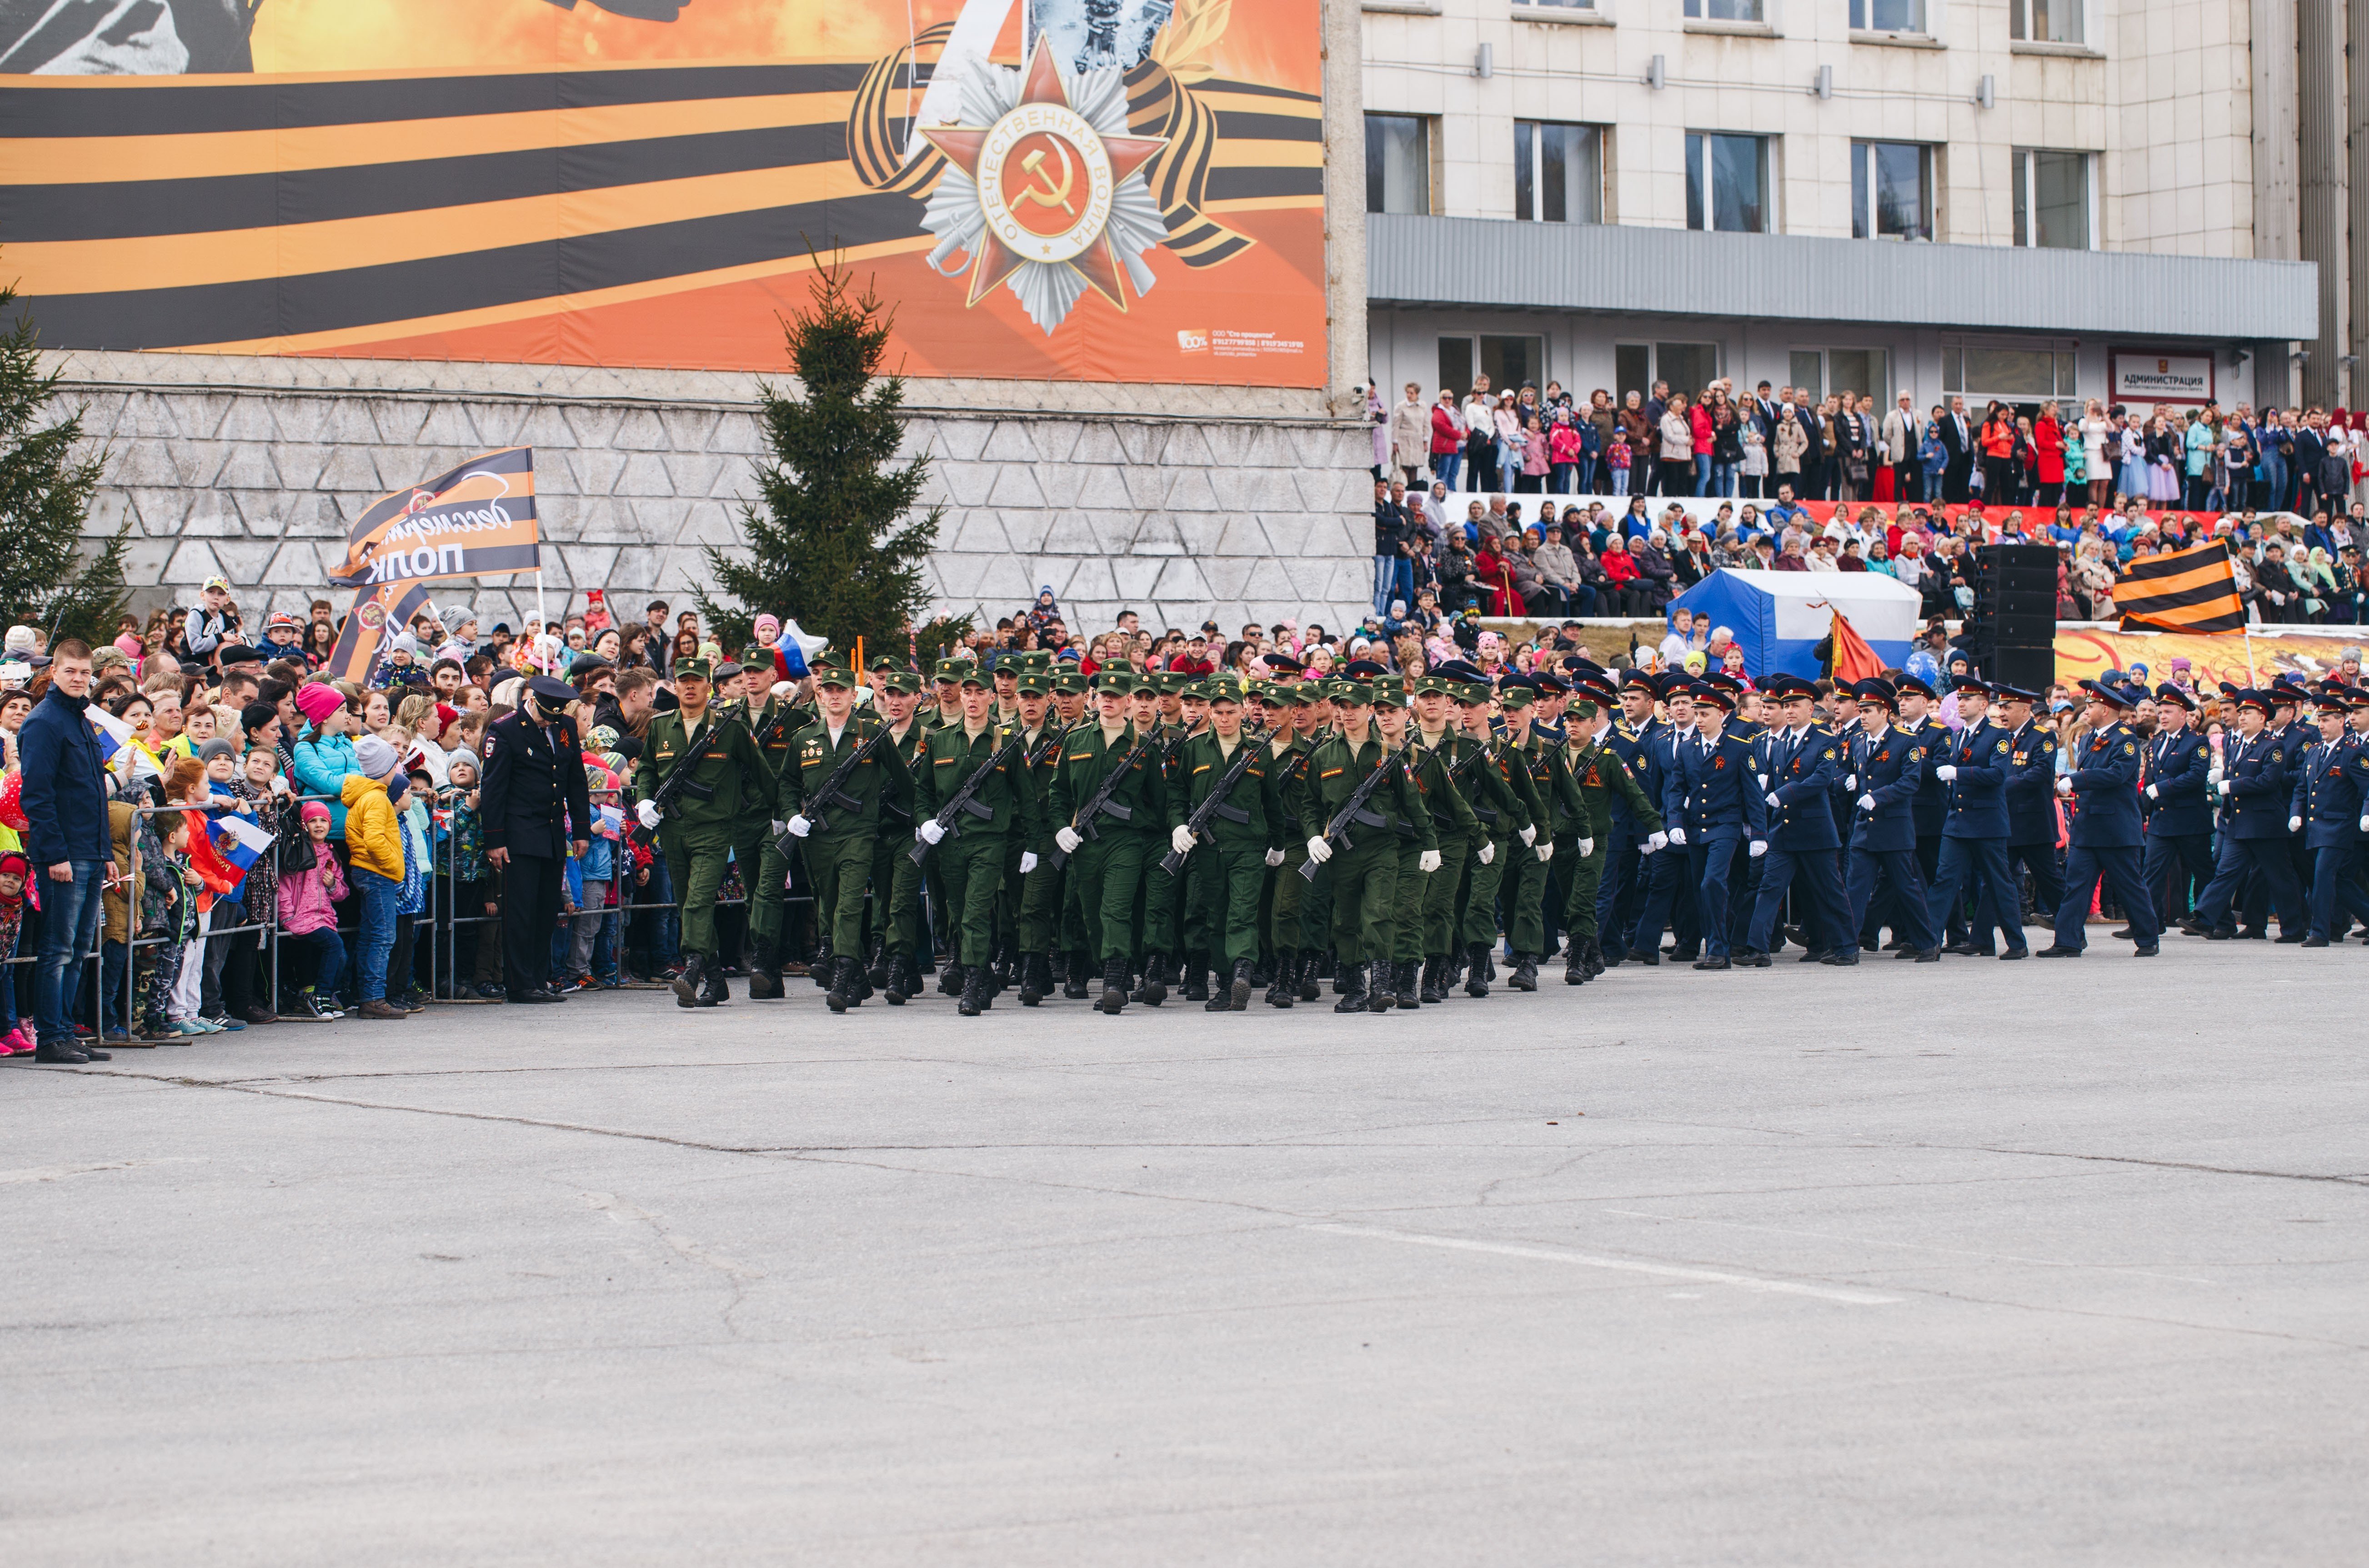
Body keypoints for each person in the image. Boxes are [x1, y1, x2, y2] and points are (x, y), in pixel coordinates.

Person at [633, 658, 766, 1007]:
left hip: (715, 829)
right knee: (685, 905)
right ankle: (717, 980)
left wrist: (754, 810)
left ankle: (693, 967)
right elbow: (647, 768)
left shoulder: (729, 726)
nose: (690, 686)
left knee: (699, 901)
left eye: (696, 681)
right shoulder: (661, 726)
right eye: (683, 681)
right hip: (674, 829)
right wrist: (644, 799)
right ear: (674, 687)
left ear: (709, 687)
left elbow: (760, 774)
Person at [20, 639, 113, 1062]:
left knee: (77, 947)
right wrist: (55, 854)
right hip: (63, 853)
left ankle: (65, 1031)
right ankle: (50, 1037)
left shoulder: (82, 719)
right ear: (53, 672)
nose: (78, 679)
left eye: (84, 672)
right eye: (70, 671)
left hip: (91, 850)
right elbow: (37, 796)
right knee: (58, 948)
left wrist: (106, 851)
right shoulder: (43, 722)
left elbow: (93, 794)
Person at [482, 673, 595, 1005]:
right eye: (546, 714)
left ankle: (539, 977)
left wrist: (582, 829)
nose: (549, 720)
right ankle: (519, 983)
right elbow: (493, 788)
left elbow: (575, 780)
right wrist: (494, 839)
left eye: (555, 715)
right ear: (532, 701)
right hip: (518, 831)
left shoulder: (565, 728)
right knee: (521, 911)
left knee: (547, 909)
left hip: (550, 830)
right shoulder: (505, 730)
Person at [2039, 679, 2160, 957]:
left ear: (2105, 710)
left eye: (2091, 705)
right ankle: (2067, 941)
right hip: (2088, 826)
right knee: (2076, 885)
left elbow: (2116, 774)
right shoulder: (2089, 738)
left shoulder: (2125, 739)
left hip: (2115, 829)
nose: (2087, 709)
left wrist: (2077, 779)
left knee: (2130, 886)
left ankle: (2147, 938)